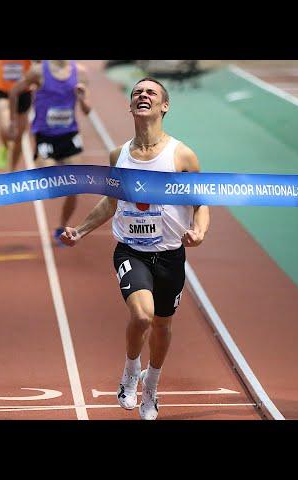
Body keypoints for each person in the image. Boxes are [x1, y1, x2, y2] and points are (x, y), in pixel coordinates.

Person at [59, 78, 210, 420]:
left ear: (164, 106)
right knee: (141, 315)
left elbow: (201, 203)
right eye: (137, 93)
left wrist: (199, 232)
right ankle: (130, 372)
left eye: (151, 93)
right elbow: (110, 203)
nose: (143, 96)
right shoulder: (120, 155)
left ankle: (151, 387)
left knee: (162, 324)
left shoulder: (182, 155)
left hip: (170, 256)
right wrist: (80, 231)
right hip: (131, 251)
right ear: (131, 107)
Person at [10, 60, 91, 244]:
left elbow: (87, 110)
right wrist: (14, 121)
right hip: (45, 136)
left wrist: (82, 97)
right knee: (53, 181)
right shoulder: (38, 71)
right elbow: (14, 91)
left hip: (69, 135)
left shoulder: (80, 73)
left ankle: (62, 226)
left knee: (75, 186)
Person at [0, 60, 33, 171]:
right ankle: (5, 146)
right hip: (3, 89)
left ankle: (12, 170)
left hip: (23, 92)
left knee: (18, 136)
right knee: (6, 128)